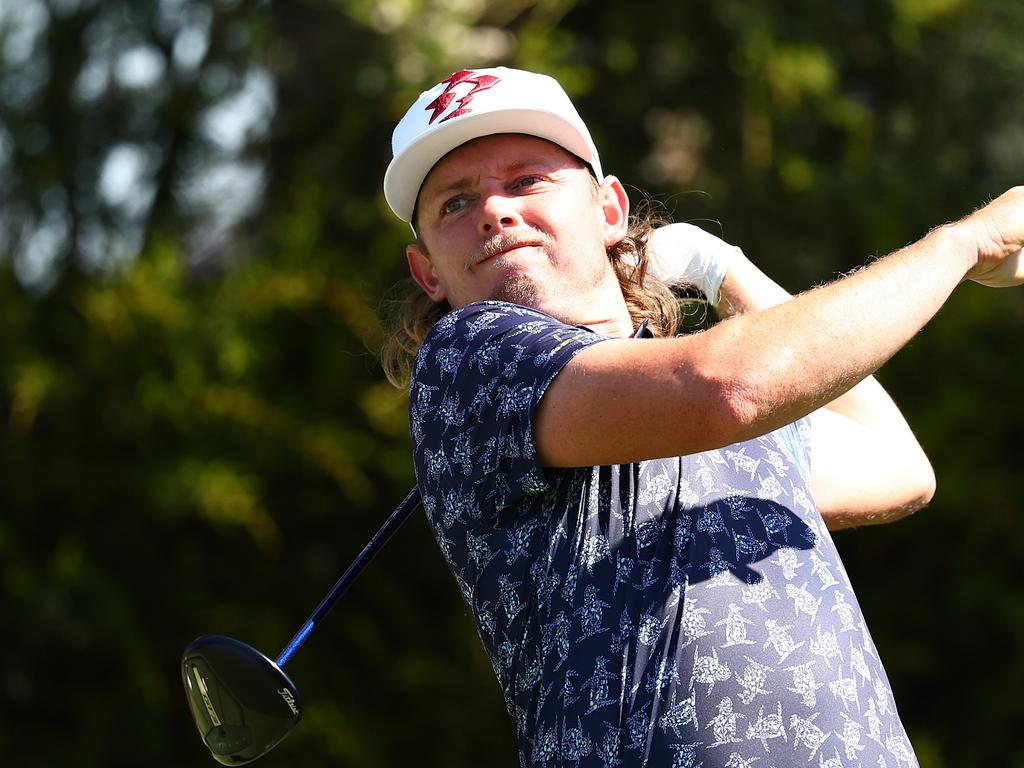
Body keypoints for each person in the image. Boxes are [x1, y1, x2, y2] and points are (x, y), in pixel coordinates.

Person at [379, 67, 1024, 767]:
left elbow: (898, 465)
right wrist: (963, 243)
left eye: (528, 180)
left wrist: (720, 268)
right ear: (427, 274)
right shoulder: (470, 361)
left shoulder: (685, 389)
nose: (494, 211)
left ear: (607, 211)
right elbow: (730, 385)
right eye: (455, 202)